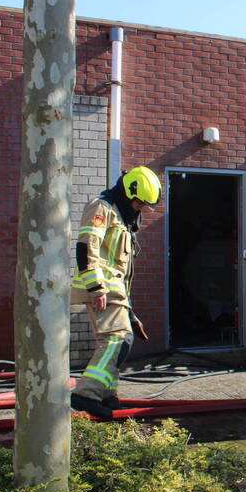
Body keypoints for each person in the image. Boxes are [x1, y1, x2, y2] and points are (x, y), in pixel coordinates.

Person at [70, 166, 161, 420]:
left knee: (112, 341)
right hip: (103, 289)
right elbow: (86, 247)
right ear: (128, 191)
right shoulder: (102, 208)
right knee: (118, 339)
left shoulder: (121, 216)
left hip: (115, 292)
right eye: (139, 202)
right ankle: (86, 394)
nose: (141, 208)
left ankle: (107, 396)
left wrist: (129, 310)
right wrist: (95, 287)